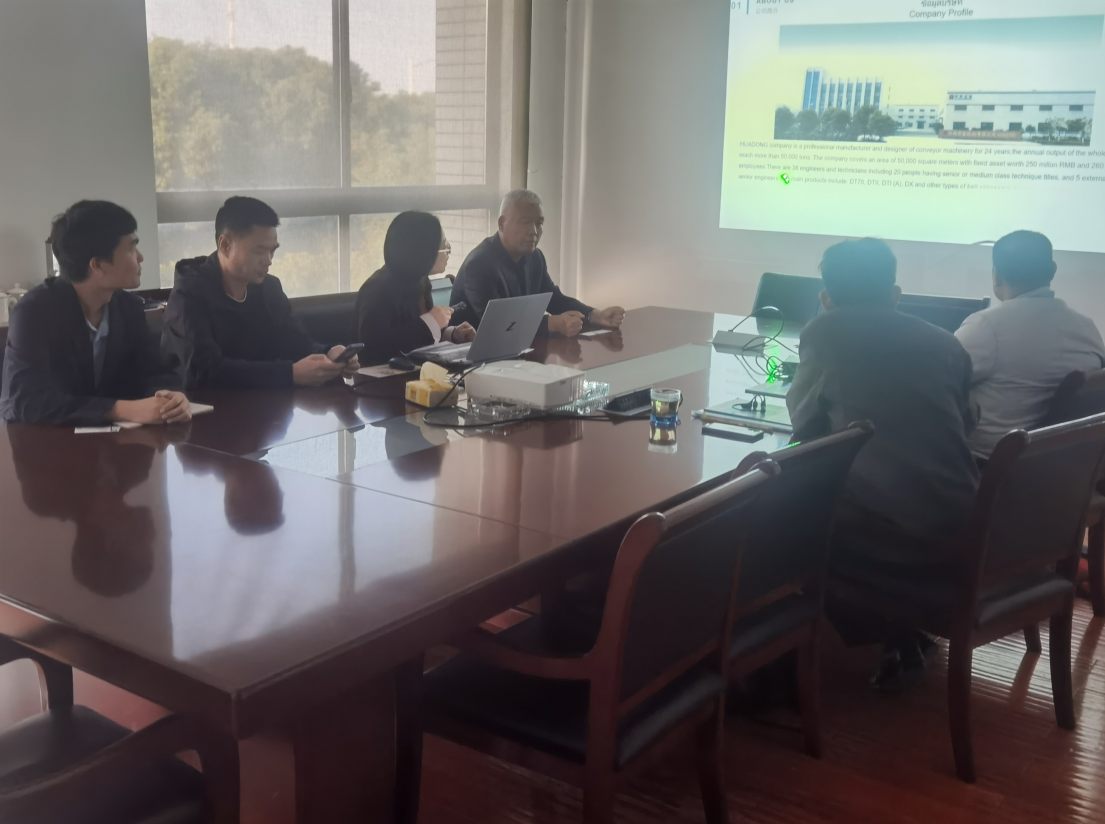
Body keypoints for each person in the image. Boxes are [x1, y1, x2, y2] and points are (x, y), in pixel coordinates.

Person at [787, 238, 979, 691]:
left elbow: (805, 425)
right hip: (962, 519)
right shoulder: (945, 341)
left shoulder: (823, 331)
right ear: (895, 294)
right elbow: (968, 421)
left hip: (894, 536)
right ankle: (896, 631)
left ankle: (771, 661)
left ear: (825, 298)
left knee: (778, 518)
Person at [0, 200, 191, 427]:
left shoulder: (128, 307)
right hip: (36, 439)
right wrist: (121, 409)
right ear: (98, 265)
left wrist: (170, 396)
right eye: (131, 248)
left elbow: (155, 372)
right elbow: (29, 402)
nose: (140, 257)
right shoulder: (33, 313)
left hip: (110, 440)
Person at [162, 196, 360, 390]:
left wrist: (329, 354)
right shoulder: (188, 294)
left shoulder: (269, 287)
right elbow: (205, 370)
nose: (268, 260)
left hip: (267, 402)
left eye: (272, 251)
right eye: (259, 251)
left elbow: (296, 343)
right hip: (203, 405)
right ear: (225, 245)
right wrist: (289, 373)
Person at [956, 230, 1105, 460]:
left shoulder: (987, 326)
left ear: (996, 275)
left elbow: (933, 381)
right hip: (1054, 467)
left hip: (983, 466)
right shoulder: (1087, 328)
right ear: (1052, 270)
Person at [450, 189, 625, 337]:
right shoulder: (479, 263)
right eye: (525, 222)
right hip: (471, 355)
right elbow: (497, 323)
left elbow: (553, 299)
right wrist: (553, 323)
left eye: (539, 223)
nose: (534, 231)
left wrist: (594, 315)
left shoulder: (535, 257)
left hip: (518, 349)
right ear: (502, 224)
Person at [353, 211, 476, 364]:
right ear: (423, 250)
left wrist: (451, 334)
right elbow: (376, 347)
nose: (448, 250)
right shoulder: (378, 290)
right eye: (443, 244)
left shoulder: (421, 281)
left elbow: (417, 340)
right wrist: (430, 322)